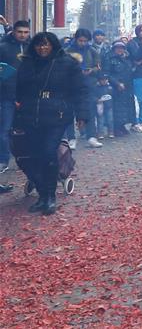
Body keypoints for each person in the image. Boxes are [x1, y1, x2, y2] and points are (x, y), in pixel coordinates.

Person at [12, 32, 89, 215]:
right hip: (31, 116)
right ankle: (42, 195)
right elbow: (18, 89)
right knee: (34, 156)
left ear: (53, 45)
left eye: (46, 45)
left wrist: (82, 115)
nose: (42, 48)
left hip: (57, 115)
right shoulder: (27, 64)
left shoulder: (67, 64)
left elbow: (80, 90)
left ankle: (51, 196)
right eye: (39, 45)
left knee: (48, 152)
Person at [0, 19, 30, 185]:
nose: (23, 35)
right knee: (5, 129)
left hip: (28, 96)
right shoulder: (3, 47)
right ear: (14, 32)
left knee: (28, 128)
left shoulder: (33, 48)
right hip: (7, 95)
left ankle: (26, 158)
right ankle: (3, 160)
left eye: (26, 32)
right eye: (20, 32)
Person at [67, 28, 102, 148]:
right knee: (70, 112)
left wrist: (91, 70)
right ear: (76, 39)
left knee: (90, 110)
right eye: (80, 41)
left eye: (85, 41)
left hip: (88, 85)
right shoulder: (68, 51)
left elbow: (98, 66)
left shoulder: (92, 51)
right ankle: (71, 138)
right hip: (71, 85)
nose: (82, 43)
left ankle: (91, 136)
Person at [104, 41, 135, 136]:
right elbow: (107, 73)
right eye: (117, 48)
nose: (120, 50)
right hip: (115, 87)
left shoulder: (126, 58)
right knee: (116, 108)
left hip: (127, 86)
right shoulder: (109, 58)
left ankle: (122, 126)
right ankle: (115, 128)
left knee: (126, 108)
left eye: (122, 48)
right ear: (114, 49)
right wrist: (117, 83)